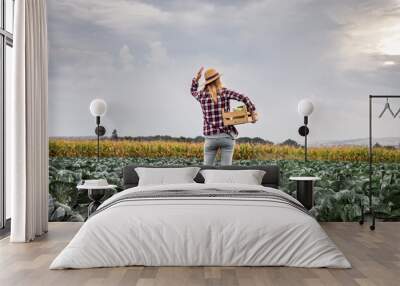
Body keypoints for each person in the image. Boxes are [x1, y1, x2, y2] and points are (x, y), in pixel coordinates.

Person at [191, 67, 257, 166]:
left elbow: (193, 91)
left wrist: (196, 79)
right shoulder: (224, 92)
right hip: (226, 136)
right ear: (218, 80)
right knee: (226, 170)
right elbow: (244, 97)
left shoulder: (201, 95)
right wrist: (252, 113)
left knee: (207, 170)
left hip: (210, 138)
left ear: (206, 82)